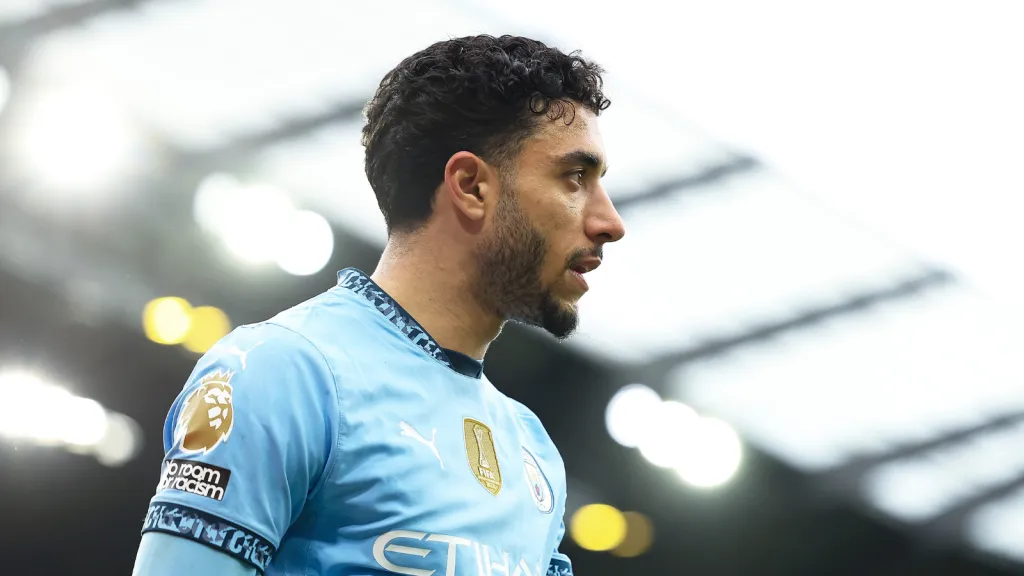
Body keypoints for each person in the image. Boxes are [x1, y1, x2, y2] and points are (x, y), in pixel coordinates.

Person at [132, 34, 625, 576]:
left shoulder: (534, 450)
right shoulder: (283, 372)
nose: (610, 222)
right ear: (469, 185)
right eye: (575, 178)